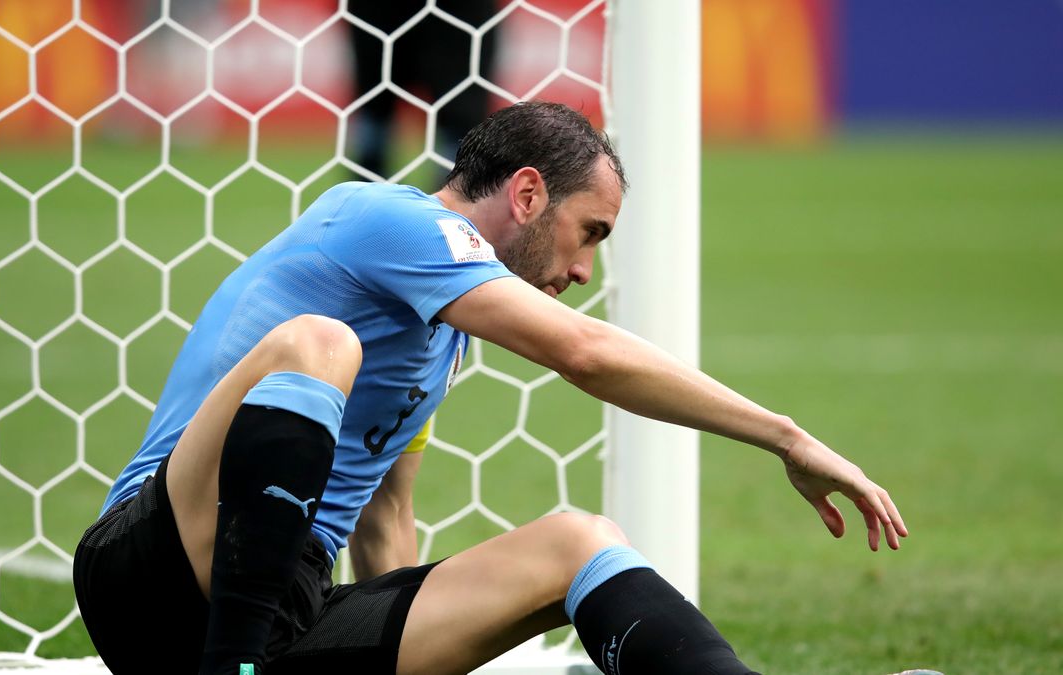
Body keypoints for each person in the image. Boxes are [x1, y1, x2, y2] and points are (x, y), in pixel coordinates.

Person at [72, 102, 907, 675]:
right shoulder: (384, 217)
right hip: (150, 568)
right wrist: (787, 436)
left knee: (578, 541)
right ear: (529, 192)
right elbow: (583, 353)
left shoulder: (445, 341)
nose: (584, 270)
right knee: (314, 346)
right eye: (590, 234)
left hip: (281, 614)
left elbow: (384, 518)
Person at [346, 0, 499, 183]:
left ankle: (455, 198)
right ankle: (368, 195)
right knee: (374, 106)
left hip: (458, 13)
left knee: (461, 114)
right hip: (380, 12)